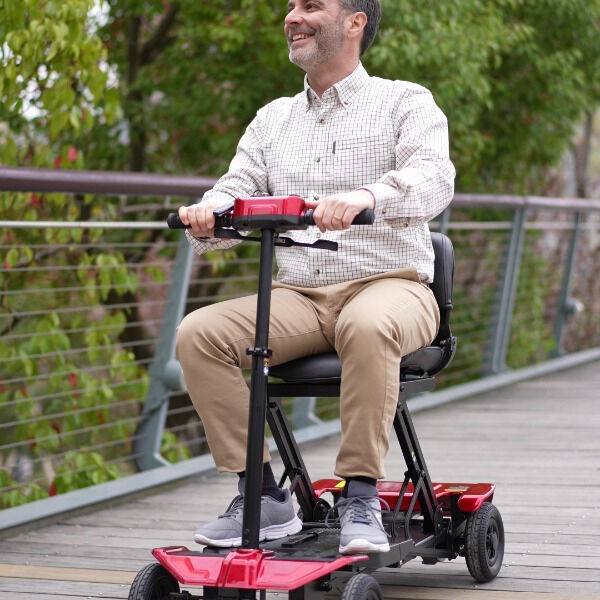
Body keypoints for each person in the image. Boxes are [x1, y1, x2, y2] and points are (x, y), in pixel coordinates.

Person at [176, 0, 455, 555]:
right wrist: (209, 214)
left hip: (391, 284)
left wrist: (366, 195)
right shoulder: (273, 118)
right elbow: (236, 186)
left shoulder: (404, 101)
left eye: (311, 5)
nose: (292, 16)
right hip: (300, 294)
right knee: (197, 334)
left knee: (369, 326)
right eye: (290, 6)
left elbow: (434, 177)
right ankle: (262, 495)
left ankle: (360, 496)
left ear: (355, 22)